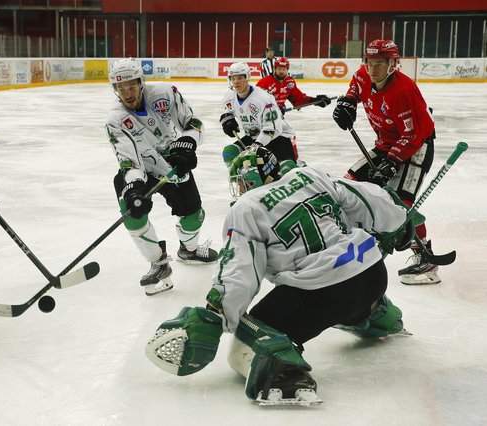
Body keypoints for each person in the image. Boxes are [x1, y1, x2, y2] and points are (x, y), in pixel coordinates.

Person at [145, 146, 416, 405]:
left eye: (240, 182)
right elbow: (364, 197)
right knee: (346, 284)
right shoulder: (309, 174)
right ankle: (376, 315)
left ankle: (284, 374)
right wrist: (397, 221)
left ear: (250, 179)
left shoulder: (247, 207)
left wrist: (218, 313)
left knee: (246, 342)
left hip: (323, 294)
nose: (239, 189)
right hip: (373, 275)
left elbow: (240, 270)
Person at [105, 57, 218, 296]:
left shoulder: (165, 93)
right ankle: (158, 263)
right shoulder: (115, 119)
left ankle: (189, 250)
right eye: (120, 88)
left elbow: (192, 122)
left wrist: (187, 144)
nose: (127, 93)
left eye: (131, 86)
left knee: (194, 215)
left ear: (141, 82)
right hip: (141, 168)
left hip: (172, 163)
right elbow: (128, 160)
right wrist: (134, 186)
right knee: (131, 210)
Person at [332, 39, 439, 285]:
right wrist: (347, 103)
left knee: (400, 206)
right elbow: (354, 89)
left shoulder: (404, 91)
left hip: (416, 148)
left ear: (393, 64)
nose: (374, 68)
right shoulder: (363, 75)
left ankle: (425, 257)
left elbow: (413, 135)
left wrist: (392, 162)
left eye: (381, 62)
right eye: (370, 62)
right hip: (385, 143)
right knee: (349, 186)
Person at [219, 62, 298, 174]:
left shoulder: (263, 98)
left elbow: (272, 129)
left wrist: (256, 147)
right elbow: (229, 110)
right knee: (229, 153)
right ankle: (245, 179)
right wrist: (227, 119)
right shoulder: (229, 95)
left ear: (247, 78)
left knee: (287, 173)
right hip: (253, 138)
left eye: (240, 78)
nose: (236, 81)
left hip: (277, 138)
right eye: (233, 78)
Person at [256, 57, 331, 115]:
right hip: (262, 118)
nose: (281, 71)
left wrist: (316, 101)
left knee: (290, 135)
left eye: (284, 69)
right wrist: (273, 108)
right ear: (274, 69)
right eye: (279, 69)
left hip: (277, 118)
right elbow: (255, 102)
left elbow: (299, 100)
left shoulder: (289, 83)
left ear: (287, 70)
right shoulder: (264, 82)